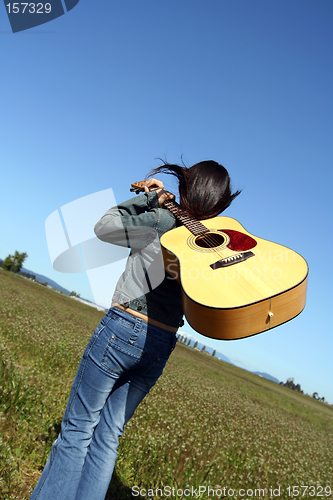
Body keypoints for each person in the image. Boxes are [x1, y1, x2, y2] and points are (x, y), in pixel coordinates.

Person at [29, 160, 240, 500]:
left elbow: (105, 227)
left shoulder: (162, 221)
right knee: (108, 436)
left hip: (124, 327)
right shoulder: (220, 245)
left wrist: (147, 201)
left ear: (187, 187)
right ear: (220, 204)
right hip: (163, 342)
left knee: (77, 430)